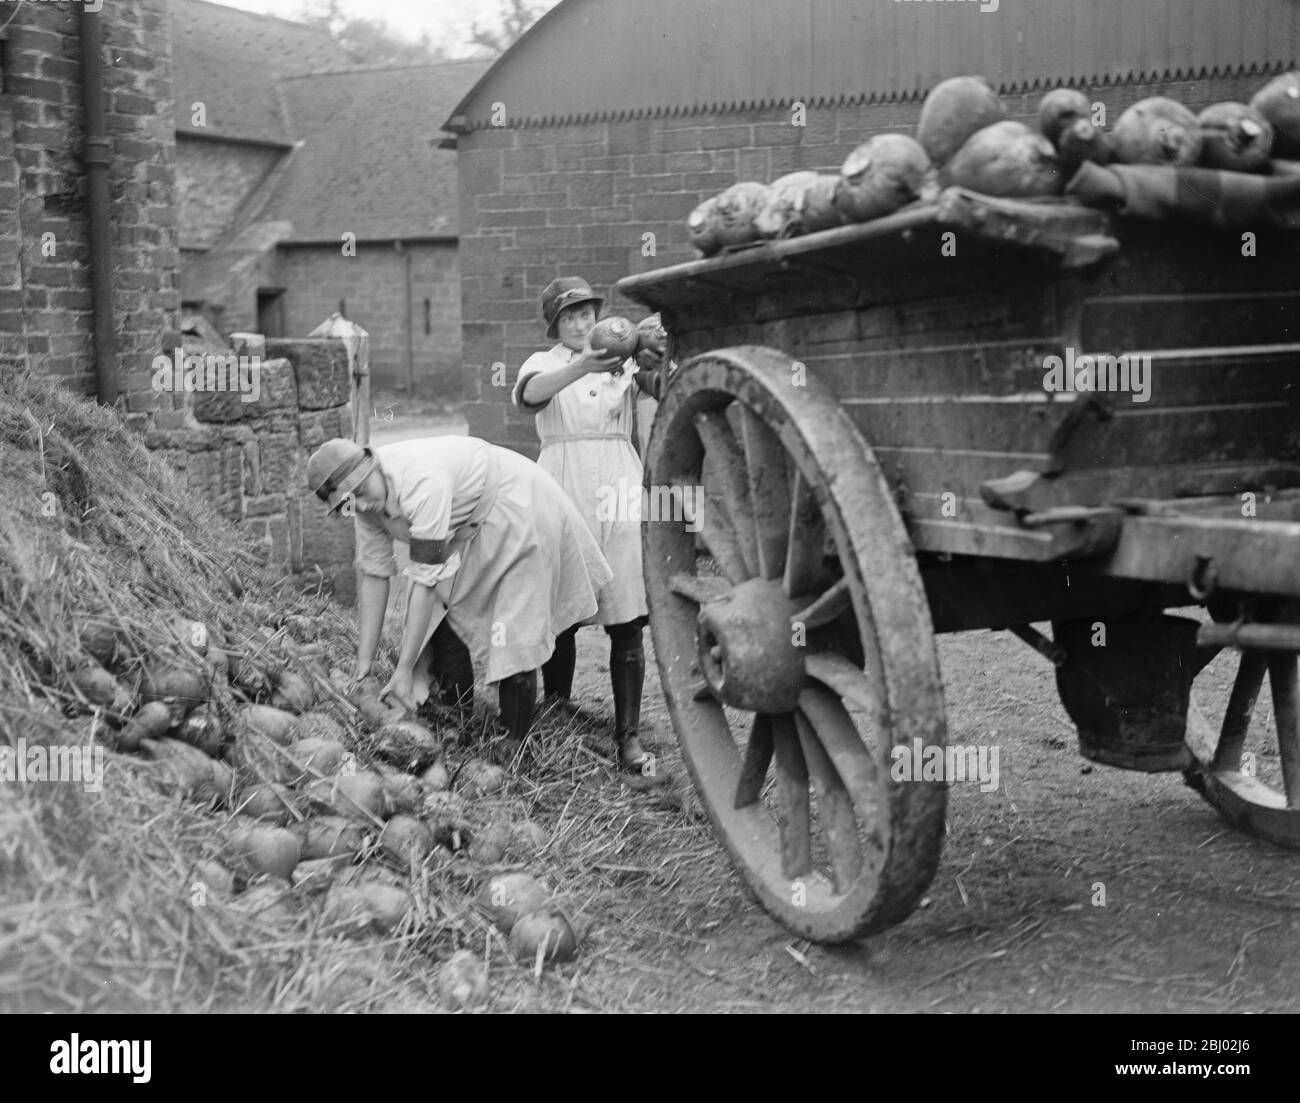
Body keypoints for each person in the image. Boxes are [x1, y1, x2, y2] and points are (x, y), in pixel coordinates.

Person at [306, 434, 613, 752]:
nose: (364, 503)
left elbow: (426, 583)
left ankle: (516, 744)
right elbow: (374, 574)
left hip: (517, 506)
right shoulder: (366, 507)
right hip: (465, 529)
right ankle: (461, 723)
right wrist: (364, 663)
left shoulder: (424, 482)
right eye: (350, 501)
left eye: (362, 491)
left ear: (373, 466)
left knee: (513, 630)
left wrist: (404, 671)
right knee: (443, 617)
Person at [512, 277, 674, 772]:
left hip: (618, 479)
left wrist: (658, 355)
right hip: (562, 479)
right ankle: (558, 711)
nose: (582, 323)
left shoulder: (623, 361)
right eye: (570, 317)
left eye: (587, 314)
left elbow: (666, 388)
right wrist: (584, 364)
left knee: (627, 613)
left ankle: (628, 736)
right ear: (555, 326)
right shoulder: (546, 364)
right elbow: (529, 397)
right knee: (562, 607)